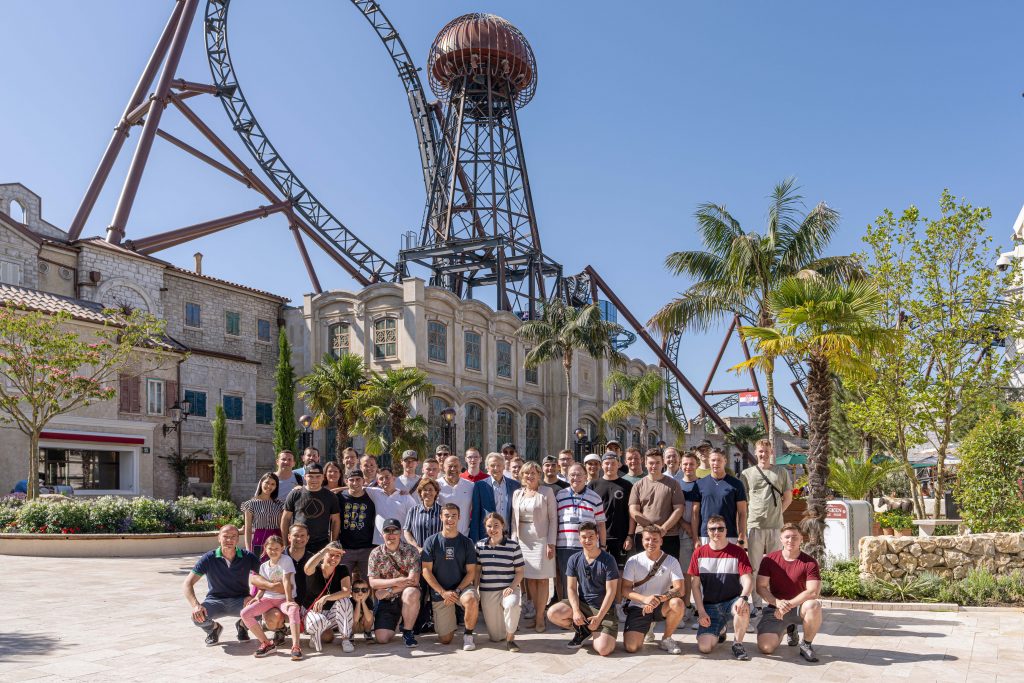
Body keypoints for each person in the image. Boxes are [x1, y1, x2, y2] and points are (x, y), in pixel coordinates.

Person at [546, 521, 619, 656]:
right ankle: (582, 630)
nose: (587, 540)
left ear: (597, 537)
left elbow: (611, 592)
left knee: (603, 650)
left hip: (604, 609)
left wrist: (599, 617)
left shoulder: (608, 560)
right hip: (583, 604)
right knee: (553, 613)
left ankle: (597, 629)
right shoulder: (574, 559)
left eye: (591, 536)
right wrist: (576, 611)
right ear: (579, 539)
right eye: (584, 537)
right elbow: (571, 588)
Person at [689, 514, 754, 661]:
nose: (716, 532)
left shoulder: (738, 552)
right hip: (710, 605)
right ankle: (721, 629)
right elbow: (695, 586)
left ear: (726, 530)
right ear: (707, 531)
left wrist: (743, 597)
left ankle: (737, 644)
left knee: (743, 607)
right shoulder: (699, 553)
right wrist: (701, 611)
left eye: (720, 528)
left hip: (732, 602)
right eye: (712, 529)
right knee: (705, 648)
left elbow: (747, 579)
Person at [740, 438, 793, 617]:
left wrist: (778, 513)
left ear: (772, 452)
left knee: (775, 567)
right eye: (760, 451)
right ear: (756, 452)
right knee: (754, 566)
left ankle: (773, 602)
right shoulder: (747, 474)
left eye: (766, 451)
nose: (763, 454)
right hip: (754, 525)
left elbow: (788, 498)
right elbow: (743, 502)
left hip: (775, 527)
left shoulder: (781, 472)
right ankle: (756, 605)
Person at [183, 525, 260, 645]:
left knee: (260, 609)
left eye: (233, 536)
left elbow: (266, 575)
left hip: (241, 600)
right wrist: (196, 605)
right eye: (225, 536)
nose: (229, 540)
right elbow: (187, 583)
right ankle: (213, 629)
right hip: (215, 601)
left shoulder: (248, 557)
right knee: (197, 617)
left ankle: (242, 625)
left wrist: (256, 597)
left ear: (238, 539)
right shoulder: (209, 558)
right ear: (219, 538)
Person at [755, 524, 822, 662]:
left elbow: (813, 592)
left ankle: (806, 644)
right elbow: (760, 587)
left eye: (795, 537)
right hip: (775, 608)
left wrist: (787, 605)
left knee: (813, 605)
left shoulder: (810, 562)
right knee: (766, 647)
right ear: (781, 539)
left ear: (801, 539)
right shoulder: (769, 560)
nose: (790, 540)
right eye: (787, 537)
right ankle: (788, 628)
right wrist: (777, 603)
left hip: (799, 607)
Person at [421, 504, 481, 650]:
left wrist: (457, 591)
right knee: (445, 639)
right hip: (441, 592)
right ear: (441, 517)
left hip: (462, 588)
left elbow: (471, 572)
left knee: (472, 599)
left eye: (454, 515)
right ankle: (449, 620)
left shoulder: (467, 542)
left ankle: (468, 635)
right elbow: (426, 571)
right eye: (447, 515)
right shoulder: (431, 541)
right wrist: (443, 592)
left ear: (459, 517)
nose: (450, 519)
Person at [621, 525, 686, 654]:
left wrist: (658, 599)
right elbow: (625, 589)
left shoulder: (671, 561)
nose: (651, 543)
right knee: (631, 647)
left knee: (677, 603)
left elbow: (680, 589)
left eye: (655, 539)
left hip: (661, 605)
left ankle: (666, 638)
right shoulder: (633, 561)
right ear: (642, 541)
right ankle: (648, 628)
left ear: (661, 541)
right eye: (647, 539)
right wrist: (645, 599)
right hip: (639, 606)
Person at [510, 461, 558, 632]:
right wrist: (514, 542)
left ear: (539, 475)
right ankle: (537, 613)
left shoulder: (547, 492)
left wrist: (551, 543)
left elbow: (553, 519)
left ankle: (540, 618)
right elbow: (513, 520)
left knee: (543, 579)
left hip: (541, 540)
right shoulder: (517, 493)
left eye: (533, 473)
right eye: (526, 473)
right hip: (523, 541)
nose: (529, 476)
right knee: (529, 578)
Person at [241, 535, 304, 660]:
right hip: (268, 599)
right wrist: (257, 597)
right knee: (245, 613)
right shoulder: (264, 566)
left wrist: (289, 600)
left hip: (283, 598)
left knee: (293, 609)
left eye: (276, 548)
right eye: (270, 548)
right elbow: (263, 586)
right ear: (265, 548)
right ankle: (267, 643)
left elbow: (286, 581)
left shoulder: (286, 560)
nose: (273, 551)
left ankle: (296, 647)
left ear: (282, 548)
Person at [368, 517, 423, 647]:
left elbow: (413, 581)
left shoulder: (411, 551)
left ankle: (408, 632)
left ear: (400, 533)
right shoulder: (375, 553)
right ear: (382, 534)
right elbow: (373, 583)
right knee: (381, 638)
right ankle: (396, 620)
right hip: (387, 601)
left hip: (402, 595)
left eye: (395, 531)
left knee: (411, 593)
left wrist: (389, 590)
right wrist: (398, 580)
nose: (391, 535)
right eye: (387, 531)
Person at [554, 463, 607, 596]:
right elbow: (554, 522)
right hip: (564, 546)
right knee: (567, 584)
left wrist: (603, 546)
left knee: (588, 583)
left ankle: (588, 608)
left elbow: (601, 524)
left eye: (579, 475)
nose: (575, 478)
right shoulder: (560, 495)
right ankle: (568, 607)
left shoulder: (595, 497)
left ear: (585, 477)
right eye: (572, 475)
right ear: (567, 476)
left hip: (588, 547)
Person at [475, 512, 525, 651]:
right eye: (489, 526)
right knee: (496, 637)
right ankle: (508, 626)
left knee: (512, 605)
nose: (493, 529)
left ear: (503, 525)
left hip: (508, 589)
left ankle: (510, 639)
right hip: (487, 591)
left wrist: (512, 587)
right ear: (485, 528)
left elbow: (520, 571)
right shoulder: (479, 545)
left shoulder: (513, 546)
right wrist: (475, 589)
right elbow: (477, 571)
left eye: (496, 525)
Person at [260, 524, 312, 646]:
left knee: (325, 636)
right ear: (289, 537)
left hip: (307, 603)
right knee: (271, 619)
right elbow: (256, 579)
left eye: (302, 535)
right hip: (282, 601)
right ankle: (280, 629)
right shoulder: (276, 554)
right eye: (295, 535)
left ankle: (306, 626)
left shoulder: (312, 558)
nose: (299, 538)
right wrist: (270, 587)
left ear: (308, 538)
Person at [628, 448, 685, 559]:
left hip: (668, 535)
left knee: (668, 568)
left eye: (657, 462)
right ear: (645, 463)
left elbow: (679, 509)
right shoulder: (638, 485)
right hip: (644, 535)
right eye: (651, 463)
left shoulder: (673, 484)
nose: (654, 466)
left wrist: (663, 529)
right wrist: (653, 528)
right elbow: (633, 511)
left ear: (663, 463)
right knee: (644, 568)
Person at [302, 542, 355, 653]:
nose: (334, 558)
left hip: (330, 612)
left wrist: (326, 597)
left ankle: (346, 639)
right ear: (324, 555)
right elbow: (307, 568)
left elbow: (346, 592)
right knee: (322, 628)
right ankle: (314, 634)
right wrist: (325, 550)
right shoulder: (315, 568)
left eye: (337, 556)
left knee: (345, 601)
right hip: (312, 610)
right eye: (331, 554)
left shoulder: (342, 569)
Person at [280, 463, 340, 553]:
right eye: (310, 476)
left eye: (318, 476)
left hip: (321, 544)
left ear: (323, 477)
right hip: (298, 542)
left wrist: (333, 542)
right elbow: (285, 519)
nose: (314, 480)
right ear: (305, 477)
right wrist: (285, 543)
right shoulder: (295, 494)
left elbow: (335, 520)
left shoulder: (330, 496)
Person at [589, 452, 634, 566]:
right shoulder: (593, 485)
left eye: (613, 463)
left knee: (619, 571)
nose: (610, 466)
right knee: (598, 570)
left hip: (620, 537)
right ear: (602, 465)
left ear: (618, 464)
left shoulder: (627, 485)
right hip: (597, 537)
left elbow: (631, 513)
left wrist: (630, 536)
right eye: (607, 463)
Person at [695, 450, 748, 545]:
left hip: (729, 534)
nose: (716, 463)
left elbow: (742, 513)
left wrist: (741, 537)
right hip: (706, 535)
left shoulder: (737, 484)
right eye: (713, 460)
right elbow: (695, 513)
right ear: (709, 461)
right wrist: (695, 538)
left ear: (725, 461)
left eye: (719, 460)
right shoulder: (699, 484)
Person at [336, 469, 377, 581]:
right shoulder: (339, 497)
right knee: (343, 583)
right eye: (351, 480)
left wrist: (401, 491)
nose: (355, 483)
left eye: (358, 479)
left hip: (367, 548)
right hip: (345, 549)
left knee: (369, 584)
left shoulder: (372, 497)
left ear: (363, 480)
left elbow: (387, 491)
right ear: (346, 481)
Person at [470, 453, 521, 541]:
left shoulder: (515, 485)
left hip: (509, 536)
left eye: (499, 465)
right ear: (487, 467)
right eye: (492, 465)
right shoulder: (480, 486)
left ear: (504, 466)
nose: (496, 468)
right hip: (487, 536)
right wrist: (475, 541)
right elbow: (476, 515)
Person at [677, 451, 703, 621]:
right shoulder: (676, 485)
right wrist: (684, 525)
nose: (688, 467)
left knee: (702, 573)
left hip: (702, 534)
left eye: (691, 464)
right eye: (685, 464)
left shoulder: (702, 484)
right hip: (683, 533)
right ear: (681, 465)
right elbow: (672, 509)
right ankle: (686, 605)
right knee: (686, 572)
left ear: (697, 465)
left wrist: (696, 533)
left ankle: (702, 607)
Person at [242, 473, 284, 559]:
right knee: (258, 565)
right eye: (267, 483)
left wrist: (285, 544)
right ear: (261, 483)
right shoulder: (250, 504)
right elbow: (248, 528)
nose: (269, 486)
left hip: (277, 541)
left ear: (276, 487)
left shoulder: (279, 504)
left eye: (273, 484)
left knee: (277, 565)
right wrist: (248, 548)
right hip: (259, 540)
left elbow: (282, 526)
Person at [371, 467, 416, 545]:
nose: (384, 480)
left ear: (394, 478)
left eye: (387, 477)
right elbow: (356, 488)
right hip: (380, 544)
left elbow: (415, 519)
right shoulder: (374, 493)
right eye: (381, 478)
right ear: (378, 482)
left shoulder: (406, 497)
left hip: (401, 543)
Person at [438, 454, 474, 535]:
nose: (453, 469)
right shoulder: (436, 485)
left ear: (460, 468)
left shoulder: (470, 486)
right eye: (450, 466)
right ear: (444, 468)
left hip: (464, 535)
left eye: (456, 466)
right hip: (443, 535)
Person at [404, 478, 442, 552]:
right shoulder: (413, 511)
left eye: (430, 489)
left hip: (438, 553)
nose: (428, 492)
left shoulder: (442, 511)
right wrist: (417, 548)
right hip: (418, 553)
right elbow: (407, 532)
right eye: (424, 490)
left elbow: (447, 532)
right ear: (420, 493)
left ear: (436, 492)